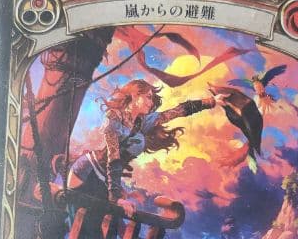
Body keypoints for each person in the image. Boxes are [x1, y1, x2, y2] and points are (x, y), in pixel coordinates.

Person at [66, 79, 215, 215]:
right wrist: (116, 198)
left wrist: (210, 102)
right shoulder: (114, 116)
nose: (151, 102)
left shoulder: (142, 122)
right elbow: (113, 157)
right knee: (78, 220)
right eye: (148, 97)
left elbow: (177, 111)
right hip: (88, 171)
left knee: (98, 227)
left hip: (106, 179)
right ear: (135, 95)